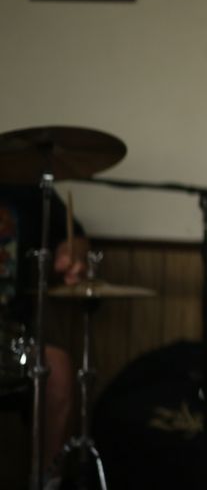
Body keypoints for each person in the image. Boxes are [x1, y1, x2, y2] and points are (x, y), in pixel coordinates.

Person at [0, 183, 85, 482]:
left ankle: (46, 482)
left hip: (13, 332)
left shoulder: (27, 187)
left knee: (57, 369)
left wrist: (71, 255)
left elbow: (74, 238)